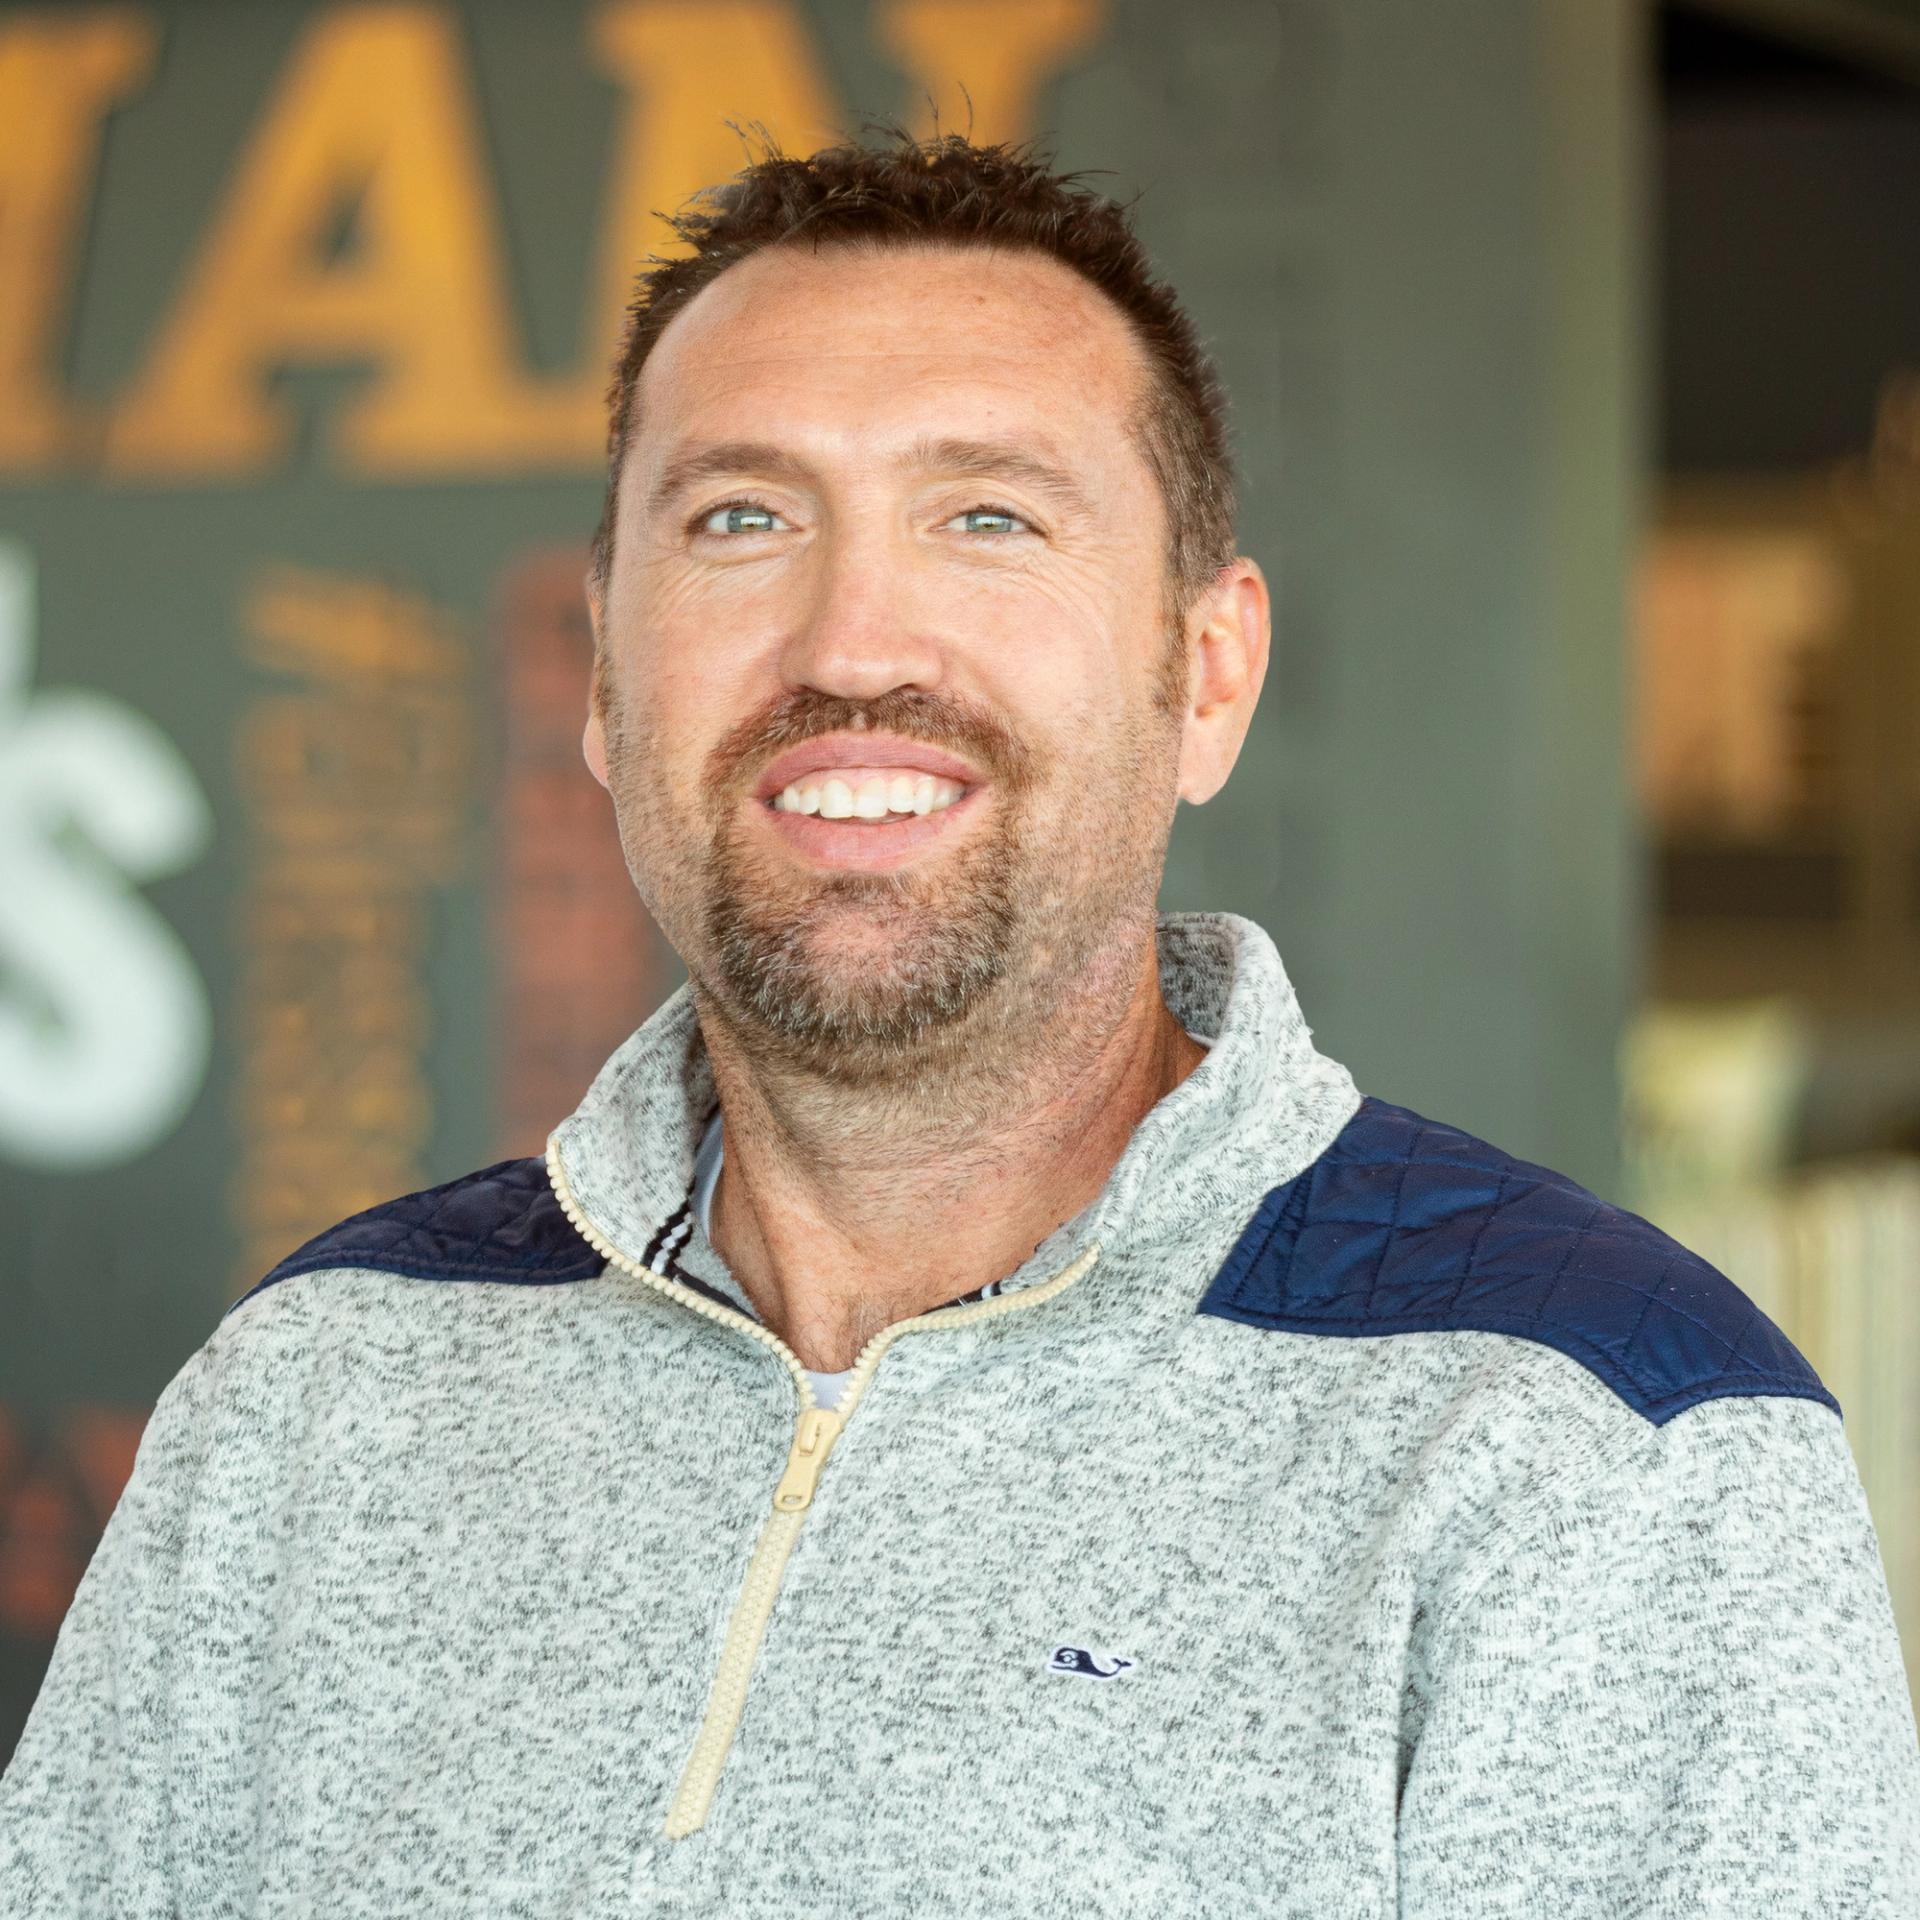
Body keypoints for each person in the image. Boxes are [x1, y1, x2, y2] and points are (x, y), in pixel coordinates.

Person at [4, 119, 1917, 1919]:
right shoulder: (321, 1399)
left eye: (989, 519)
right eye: (742, 519)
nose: (852, 644)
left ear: (1209, 673)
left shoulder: (1598, 1437)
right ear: (602, 676)